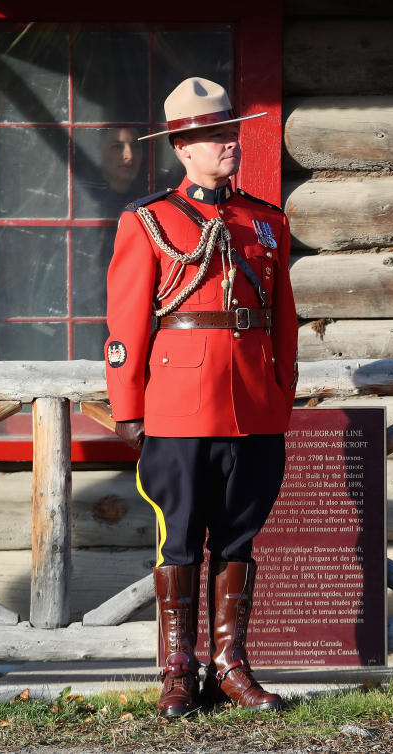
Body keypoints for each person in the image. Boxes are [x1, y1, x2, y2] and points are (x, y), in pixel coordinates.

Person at [104, 76, 298, 716]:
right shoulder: (149, 222)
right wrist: (128, 407)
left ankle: (232, 665)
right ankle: (178, 670)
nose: (228, 144)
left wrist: (279, 393)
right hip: (179, 406)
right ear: (183, 147)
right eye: (214, 136)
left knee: (238, 538)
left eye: (230, 131)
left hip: (254, 406)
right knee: (180, 541)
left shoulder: (265, 221)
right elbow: (128, 323)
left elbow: (283, 321)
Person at [75, 127, 148, 218]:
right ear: (100, 153)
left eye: (136, 146)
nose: (129, 155)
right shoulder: (82, 200)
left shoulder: (148, 197)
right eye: (117, 147)